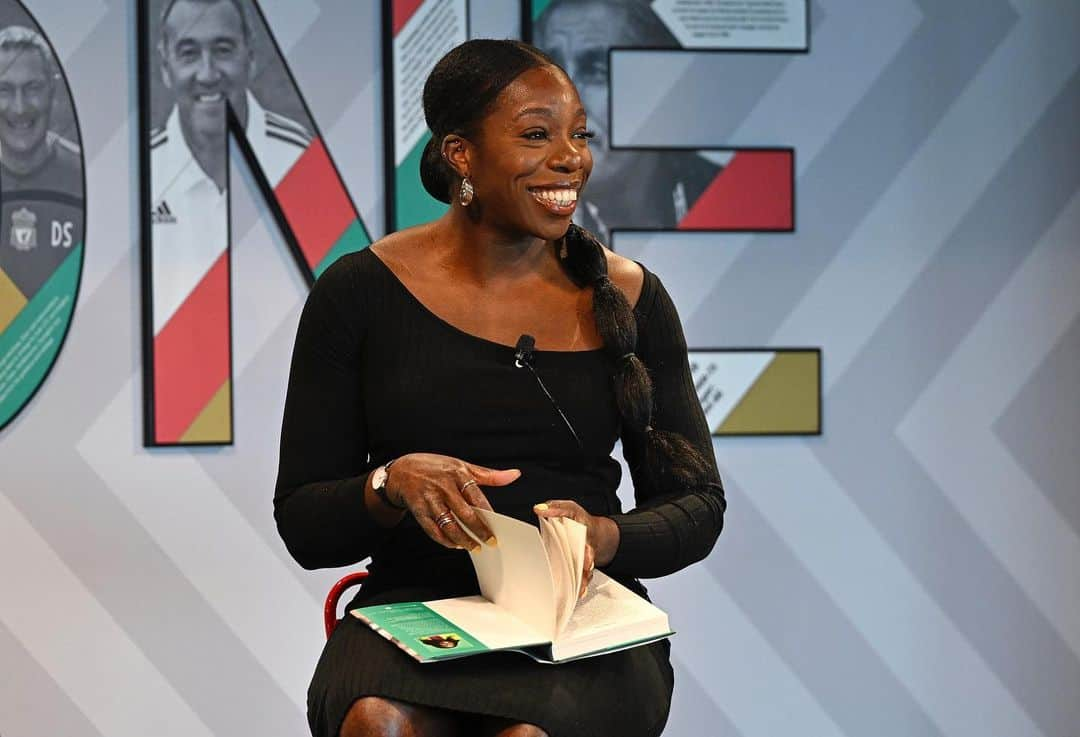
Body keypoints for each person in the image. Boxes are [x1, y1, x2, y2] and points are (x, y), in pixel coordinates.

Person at [275, 39, 725, 737]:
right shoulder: (360, 292)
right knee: (376, 722)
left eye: (579, 134)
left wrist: (602, 537)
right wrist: (390, 482)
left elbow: (697, 505)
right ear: (461, 155)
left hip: (581, 623)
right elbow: (305, 521)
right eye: (537, 135)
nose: (570, 157)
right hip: (415, 613)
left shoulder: (631, 297)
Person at [149, 0, 312, 332]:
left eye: (223, 50)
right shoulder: (140, 176)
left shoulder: (301, 161)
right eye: (189, 53)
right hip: (170, 373)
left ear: (250, 58)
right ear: (166, 67)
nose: (207, 74)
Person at [533, 0, 721, 239]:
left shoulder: (733, 194)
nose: (565, 101)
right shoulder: (521, 218)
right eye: (551, 76)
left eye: (597, 72)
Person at [0, 24, 82, 304]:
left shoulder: (88, 180)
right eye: (4, 90)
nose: (19, 107)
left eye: (32, 88)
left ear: (53, 90)